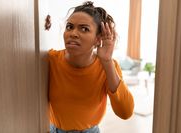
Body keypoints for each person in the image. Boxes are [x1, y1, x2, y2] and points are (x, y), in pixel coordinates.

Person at [48, 1, 134, 133]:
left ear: (98, 38)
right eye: (69, 27)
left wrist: (107, 61)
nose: (73, 33)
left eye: (84, 29)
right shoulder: (50, 60)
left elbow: (125, 112)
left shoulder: (108, 65)